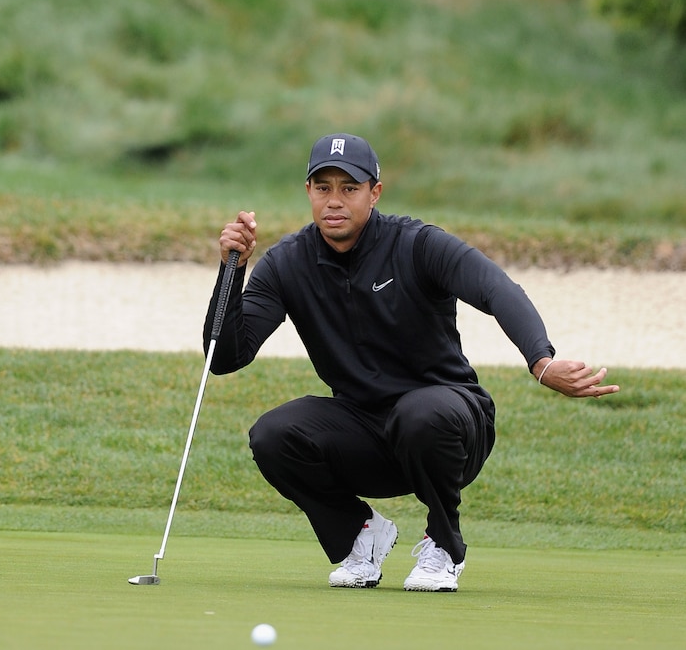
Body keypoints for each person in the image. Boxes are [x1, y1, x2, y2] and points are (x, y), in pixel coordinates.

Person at [203, 132, 619, 592]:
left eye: (349, 187)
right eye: (323, 188)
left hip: (452, 423)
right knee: (274, 434)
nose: (334, 201)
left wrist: (541, 362)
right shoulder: (287, 263)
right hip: (366, 431)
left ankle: (444, 546)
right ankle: (361, 536)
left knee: (419, 414)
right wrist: (231, 271)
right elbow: (224, 358)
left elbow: (498, 290)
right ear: (308, 192)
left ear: (374, 192)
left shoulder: (417, 244)